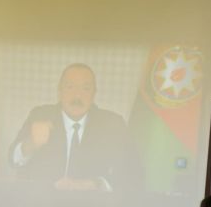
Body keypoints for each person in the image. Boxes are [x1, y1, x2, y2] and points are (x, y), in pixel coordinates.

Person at [8, 63, 137, 191]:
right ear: (59, 91)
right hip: (44, 200)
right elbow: (13, 160)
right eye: (70, 87)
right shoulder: (40, 115)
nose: (77, 96)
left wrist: (96, 184)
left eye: (86, 88)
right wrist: (31, 143)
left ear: (94, 94)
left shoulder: (113, 124)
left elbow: (132, 172)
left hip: (93, 202)